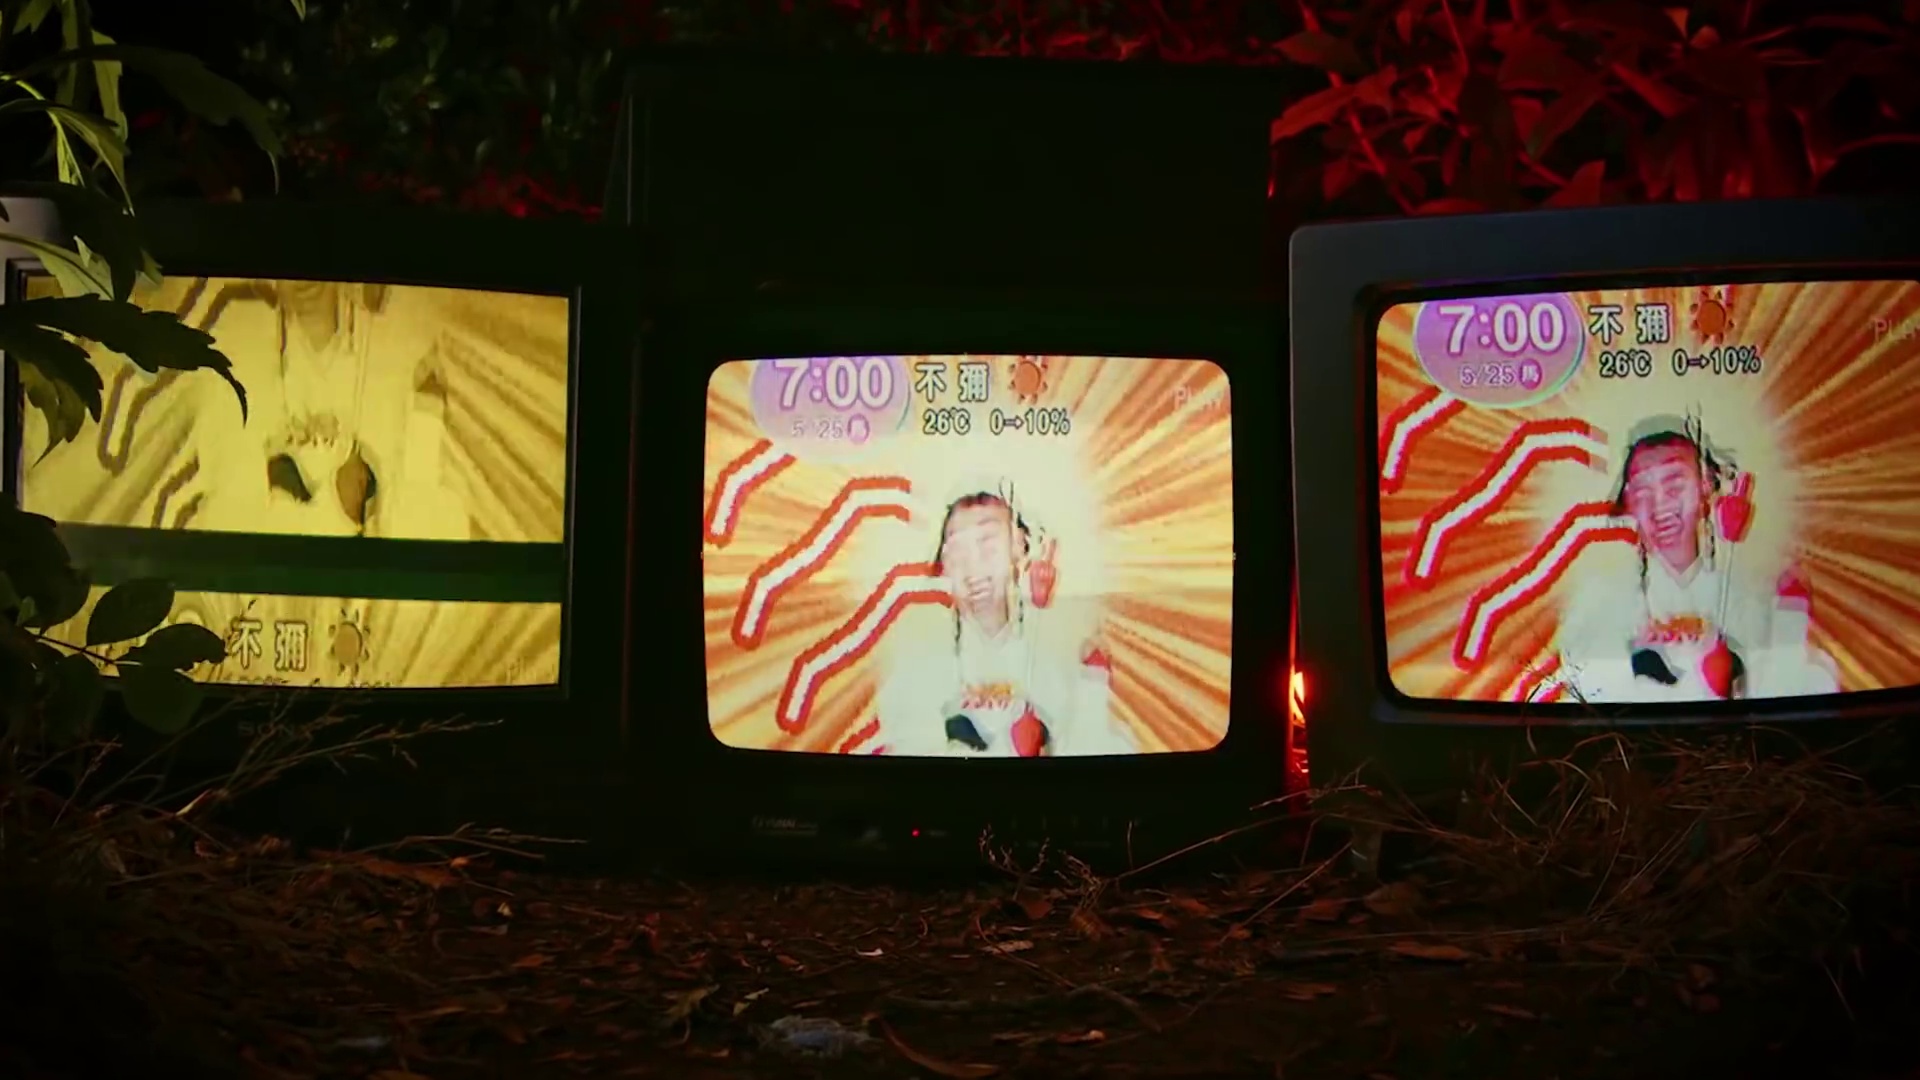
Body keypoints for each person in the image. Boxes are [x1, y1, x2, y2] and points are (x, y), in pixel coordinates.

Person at [1555, 415, 1839, 703]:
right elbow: (1583, 690)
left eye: (1674, 486)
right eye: (1643, 492)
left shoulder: (1748, 597)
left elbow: (1801, 688)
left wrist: (1789, 622)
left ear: (1705, 485)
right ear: (1629, 501)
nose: (1660, 506)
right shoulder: (1600, 600)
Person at [867, 479, 1137, 757]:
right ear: (944, 564)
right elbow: (908, 749)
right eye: (959, 552)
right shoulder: (916, 652)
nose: (974, 567)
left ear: (1019, 546)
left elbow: (1102, 746)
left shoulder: (1060, 644)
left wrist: (1090, 689)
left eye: (988, 546)